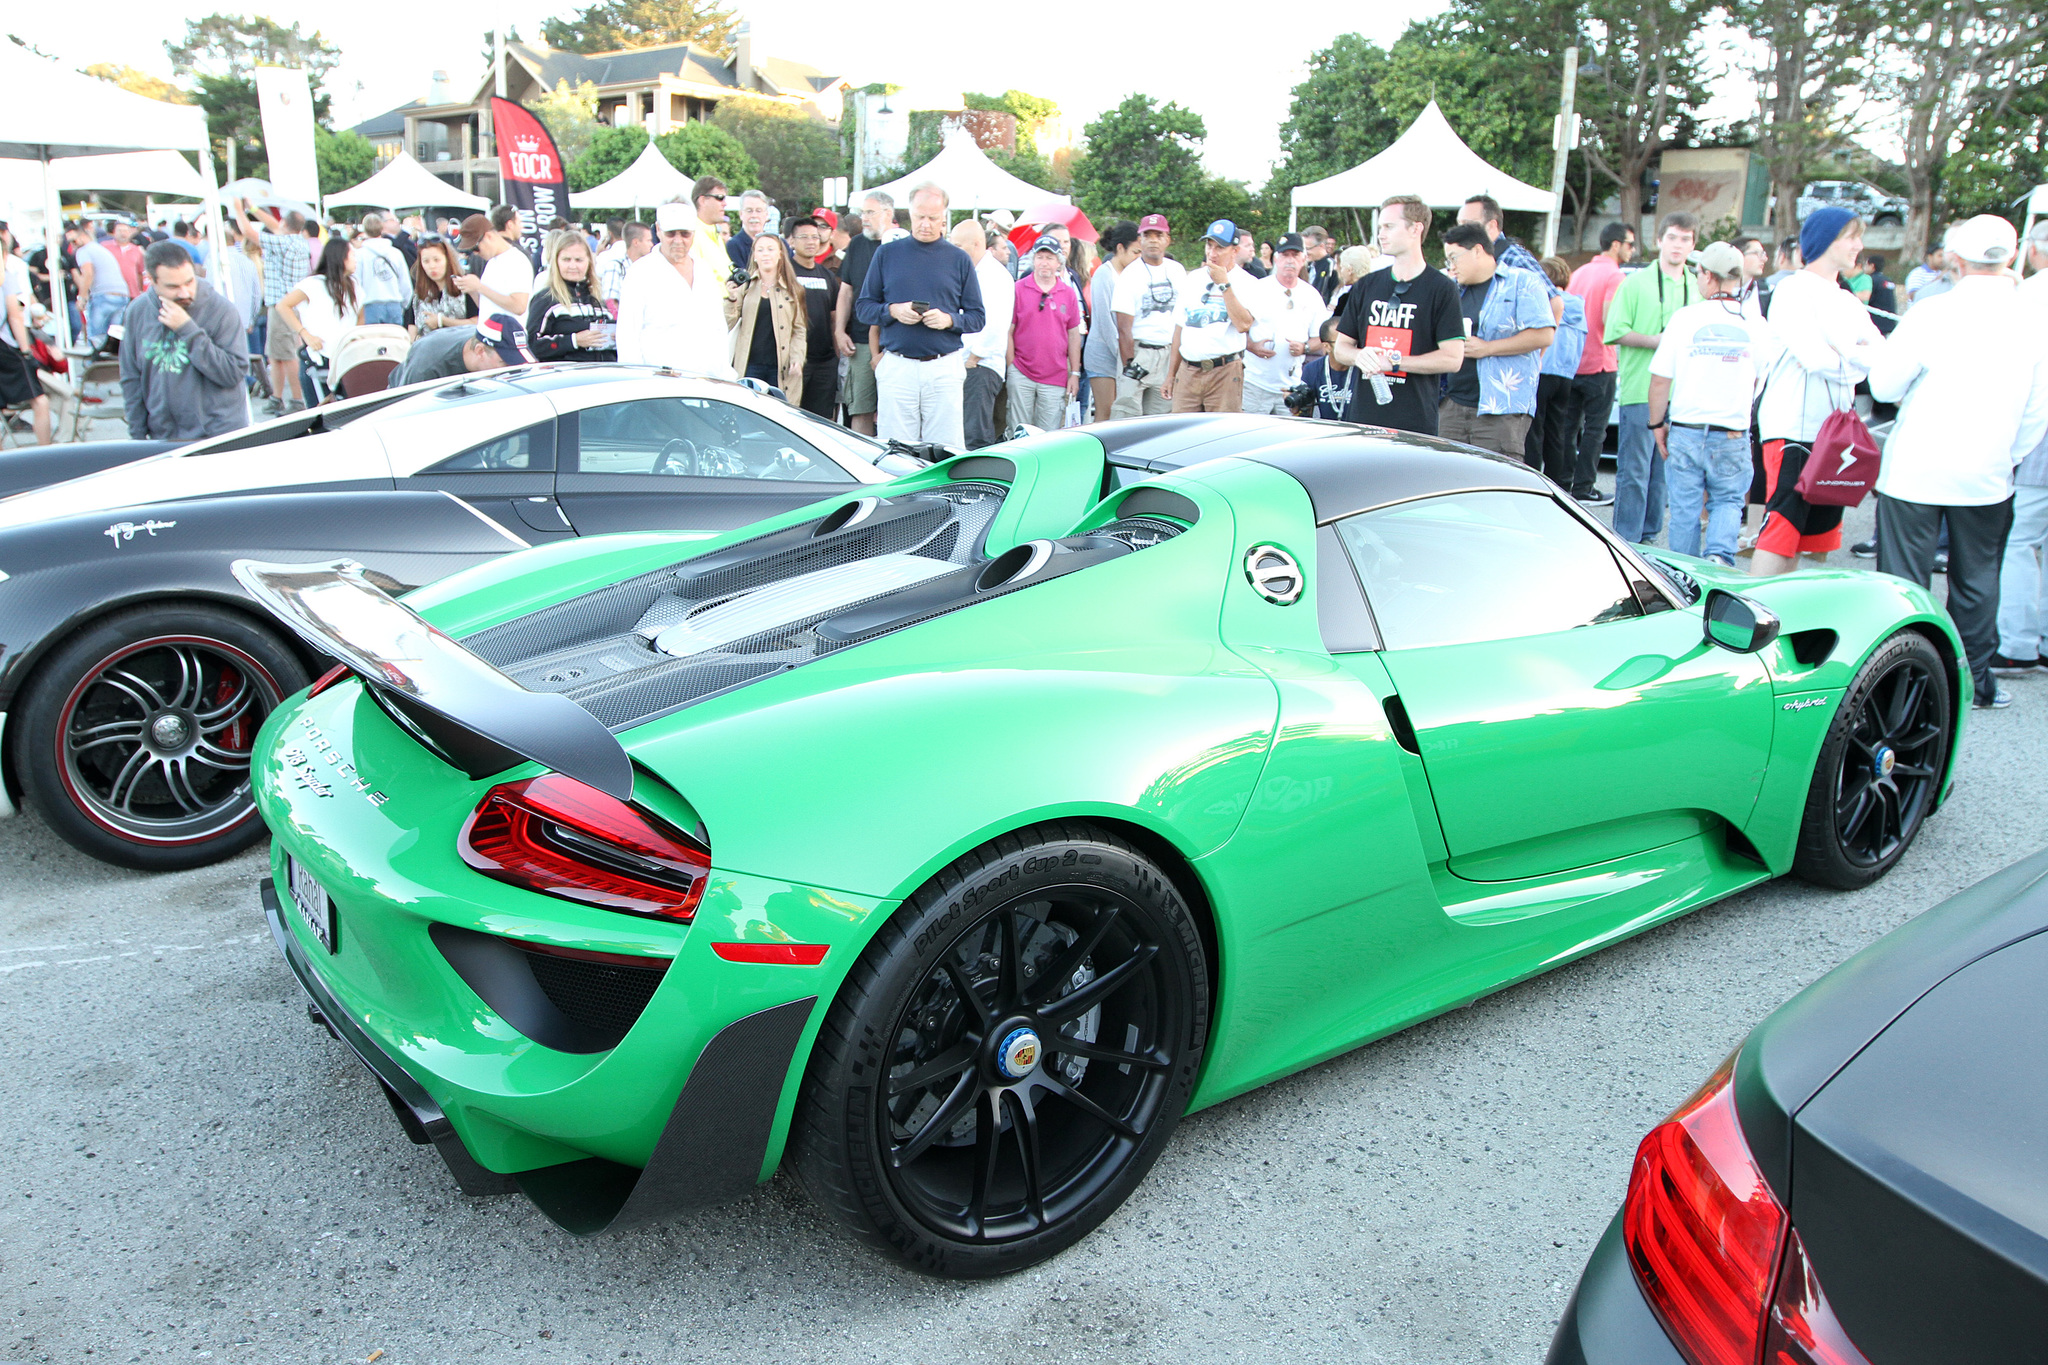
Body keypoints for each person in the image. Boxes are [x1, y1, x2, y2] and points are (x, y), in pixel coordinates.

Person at [1868, 214, 2048, 709]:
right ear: (2010, 256)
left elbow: (1884, 386)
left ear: (1956, 258)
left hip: (1915, 469)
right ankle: (1973, 683)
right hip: (1988, 472)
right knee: (1976, 581)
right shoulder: (2032, 319)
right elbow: (2037, 411)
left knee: (1903, 584)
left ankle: (1898, 685)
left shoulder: (1931, 312)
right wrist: (2003, 456)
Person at [1750, 205, 1882, 578]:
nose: (1859, 245)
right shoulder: (1792, 288)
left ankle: (1780, 619)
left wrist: (1845, 355)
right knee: (1781, 529)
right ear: (1826, 241)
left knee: (1806, 539)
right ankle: (1747, 620)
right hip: (1792, 425)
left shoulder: (1845, 298)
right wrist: (1855, 357)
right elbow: (1814, 358)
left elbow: (1881, 353)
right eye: (1851, 236)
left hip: (1833, 433)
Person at [1645, 242, 1779, 566]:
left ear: (1707, 275)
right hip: (1732, 430)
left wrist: (1656, 424)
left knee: (1684, 507)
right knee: (1729, 501)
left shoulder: (1685, 318)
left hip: (1687, 428)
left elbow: (1661, 379)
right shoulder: (1756, 323)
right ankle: (1719, 560)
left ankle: (1684, 574)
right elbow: (1762, 378)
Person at [854, 183, 984, 447]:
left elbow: (977, 317)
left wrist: (950, 320)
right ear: (909, 213)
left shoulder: (959, 259)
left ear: (944, 216)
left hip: (943, 367)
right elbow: (864, 307)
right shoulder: (887, 254)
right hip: (898, 366)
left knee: (947, 451)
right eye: (919, 217)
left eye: (933, 218)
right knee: (896, 451)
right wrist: (893, 311)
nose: (925, 224)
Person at [1332, 195, 1466, 435]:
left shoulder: (1441, 288)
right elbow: (1341, 348)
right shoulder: (1367, 285)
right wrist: (1359, 356)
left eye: (1389, 227)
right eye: (1380, 227)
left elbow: (1453, 359)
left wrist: (1393, 362)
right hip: (1363, 418)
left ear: (1416, 229)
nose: (1381, 234)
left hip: (1414, 423)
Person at [1606, 212, 1701, 544]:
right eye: (1672, 237)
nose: (1678, 245)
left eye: (1685, 239)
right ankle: (1626, 543)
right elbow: (1615, 331)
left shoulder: (1697, 285)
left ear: (1693, 244)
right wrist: (1657, 341)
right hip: (1640, 390)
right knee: (1634, 472)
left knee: (1664, 473)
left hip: (1684, 394)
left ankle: (1650, 539)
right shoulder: (1636, 282)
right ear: (1660, 240)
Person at [1437, 223, 1554, 458]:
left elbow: (1544, 334)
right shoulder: (1452, 290)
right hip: (1451, 404)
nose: (1452, 266)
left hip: (1501, 409)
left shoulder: (1522, 281)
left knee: (1495, 482)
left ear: (1477, 251)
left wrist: (1488, 348)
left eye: (1454, 258)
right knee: (1447, 484)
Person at [118, 241, 249, 441]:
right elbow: (131, 378)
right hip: (163, 437)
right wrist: (137, 435)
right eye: (173, 286)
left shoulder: (221, 310)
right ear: (152, 280)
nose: (184, 293)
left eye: (189, 282)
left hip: (217, 436)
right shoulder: (137, 311)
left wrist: (187, 330)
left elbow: (232, 373)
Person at [1994, 223, 2048, 678]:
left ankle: (2016, 643)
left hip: (2038, 438)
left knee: (2019, 541)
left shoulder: (2028, 297)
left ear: (2031, 252)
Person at [615, 203, 735, 377]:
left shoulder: (704, 270)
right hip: (659, 385)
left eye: (685, 234)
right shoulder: (640, 273)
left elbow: (718, 328)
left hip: (706, 383)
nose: (678, 241)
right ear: (658, 230)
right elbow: (628, 335)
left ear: (693, 233)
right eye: (671, 234)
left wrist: (725, 376)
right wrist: (637, 382)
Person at [1162, 220, 1258, 413]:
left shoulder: (1248, 282)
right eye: (1209, 246)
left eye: (1220, 248)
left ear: (1234, 250)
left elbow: (1243, 324)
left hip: (1224, 371)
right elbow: (1180, 329)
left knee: (1221, 433)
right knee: (1181, 432)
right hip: (1189, 370)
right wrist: (1171, 375)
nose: (1212, 253)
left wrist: (1224, 285)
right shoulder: (1192, 279)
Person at [234, 200, 312, 412]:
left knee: (287, 354)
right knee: (276, 354)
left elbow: (249, 233)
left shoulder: (284, 243)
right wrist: (252, 208)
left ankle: (296, 400)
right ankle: (277, 397)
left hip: (282, 305)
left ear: (286, 225)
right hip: (284, 304)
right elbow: (275, 226)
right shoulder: (297, 241)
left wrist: (239, 211)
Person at [837, 191, 904, 435]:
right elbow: (846, 291)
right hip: (860, 342)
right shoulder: (856, 245)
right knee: (860, 409)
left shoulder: (903, 244)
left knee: (896, 411)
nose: (863, 218)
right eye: (862, 212)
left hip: (897, 345)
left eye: (869, 212)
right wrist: (839, 330)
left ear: (888, 213)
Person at [1241, 233, 1329, 416]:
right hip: (1254, 384)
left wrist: (1304, 347)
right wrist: (1251, 345)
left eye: (1295, 255)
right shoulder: (1257, 288)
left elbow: (1321, 338)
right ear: (1275, 259)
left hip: (1291, 387)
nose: (1290, 260)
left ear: (1303, 259)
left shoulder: (1311, 295)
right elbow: (1239, 327)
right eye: (1284, 255)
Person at [1005, 234, 1084, 430]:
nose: (1044, 263)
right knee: (1019, 429)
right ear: (1033, 260)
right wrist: (1012, 365)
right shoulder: (1018, 289)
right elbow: (1008, 330)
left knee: (1048, 433)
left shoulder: (1068, 293)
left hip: (1055, 375)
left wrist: (1074, 372)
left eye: (1049, 258)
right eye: (1040, 257)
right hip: (1022, 371)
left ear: (1059, 262)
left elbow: (1074, 335)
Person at [1111, 213, 1185, 418]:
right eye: (1148, 235)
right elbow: (1123, 326)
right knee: (1127, 415)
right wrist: (1129, 365)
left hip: (1168, 351)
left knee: (1160, 417)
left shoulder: (1177, 271)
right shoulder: (1130, 274)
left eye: (1158, 235)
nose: (1153, 240)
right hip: (1139, 350)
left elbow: (1183, 318)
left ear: (1167, 240)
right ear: (1140, 240)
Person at [275, 237, 363, 405]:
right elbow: (283, 306)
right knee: (320, 414)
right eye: (352, 255)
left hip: (346, 358)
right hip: (319, 358)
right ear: (340, 257)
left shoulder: (355, 285)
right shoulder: (313, 284)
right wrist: (305, 335)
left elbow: (360, 317)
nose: (355, 259)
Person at [951, 219, 1014, 447]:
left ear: (977, 244)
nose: (952, 250)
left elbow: (997, 324)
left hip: (980, 365)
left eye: (958, 245)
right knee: (960, 432)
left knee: (974, 434)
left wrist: (973, 359)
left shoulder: (995, 276)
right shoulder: (968, 271)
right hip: (964, 361)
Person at [1526, 256, 1587, 485]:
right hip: (1566, 376)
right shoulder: (1579, 306)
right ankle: (1558, 484)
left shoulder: (1546, 303)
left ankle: (1531, 480)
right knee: (1557, 433)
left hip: (1542, 371)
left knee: (1533, 432)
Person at [726, 233, 807, 402]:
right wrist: (731, 296)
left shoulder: (793, 289)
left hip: (780, 366)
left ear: (780, 254)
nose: (765, 254)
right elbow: (728, 323)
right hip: (750, 363)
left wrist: (797, 358)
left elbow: (799, 328)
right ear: (754, 255)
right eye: (760, 250)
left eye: (770, 249)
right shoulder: (745, 286)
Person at [788, 216, 851, 419]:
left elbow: (834, 317)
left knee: (822, 421)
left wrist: (836, 355)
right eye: (804, 237)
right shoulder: (785, 273)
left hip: (824, 361)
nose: (810, 242)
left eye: (815, 237)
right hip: (795, 359)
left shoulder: (827, 276)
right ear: (791, 241)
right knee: (791, 416)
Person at [526, 232, 615, 363]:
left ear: (589, 262)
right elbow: (532, 344)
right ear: (556, 262)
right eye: (566, 259)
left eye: (579, 260)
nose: (572, 266)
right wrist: (574, 340)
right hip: (566, 378)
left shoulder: (597, 299)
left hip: (604, 375)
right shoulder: (546, 299)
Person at [1082, 220, 1138, 423]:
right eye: (1135, 252)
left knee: (1121, 415)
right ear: (1120, 248)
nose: (1138, 258)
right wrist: (1124, 357)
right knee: (1105, 414)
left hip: (1124, 355)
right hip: (1104, 355)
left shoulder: (1133, 275)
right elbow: (1105, 323)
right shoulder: (1104, 275)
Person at [0, 224, 51, 444]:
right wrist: (25, 351)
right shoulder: (6, 275)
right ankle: (45, 451)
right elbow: (15, 316)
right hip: (5, 346)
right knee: (40, 401)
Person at [395, 313, 535, 385]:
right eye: (505, 362)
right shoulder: (426, 366)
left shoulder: (484, 335)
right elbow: (404, 409)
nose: (512, 370)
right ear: (480, 351)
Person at [453, 212, 532, 325]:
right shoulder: (491, 262)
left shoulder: (517, 260)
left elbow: (519, 307)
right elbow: (487, 305)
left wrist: (479, 287)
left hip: (507, 338)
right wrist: (471, 290)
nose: (475, 254)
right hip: (489, 335)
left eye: (476, 248)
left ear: (488, 236)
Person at [76, 220, 133, 347]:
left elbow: (88, 273)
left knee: (97, 337)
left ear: (82, 237)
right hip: (122, 294)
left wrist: (82, 297)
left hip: (103, 294)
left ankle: (96, 365)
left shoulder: (84, 251)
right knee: (116, 339)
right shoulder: (101, 249)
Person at [354, 213, 412, 327]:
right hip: (394, 304)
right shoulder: (395, 253)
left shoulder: (359, 255)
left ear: (364, 229)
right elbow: (405, 283)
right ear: (382, 228)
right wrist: (404, 304)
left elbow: (356, 283)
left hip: (369, 304)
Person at [408, 238, 473, 337]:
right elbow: (412, 324)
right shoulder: (419, 292)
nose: (432, 266)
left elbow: (477, 322)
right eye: (426, 261)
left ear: (447, 259)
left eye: (436, 260)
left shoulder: (464, 286)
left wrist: (442, 320)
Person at [1296, 317, 1354, 419]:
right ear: (1327, 346)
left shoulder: (1364, 369)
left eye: (1351, 341)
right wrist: (1297, 405)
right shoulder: (1312, 369)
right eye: (1341, 342)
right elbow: (1305, 413)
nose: (1349, 346)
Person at [688, 177, 734, 275]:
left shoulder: (716, 234)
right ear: (703, 200)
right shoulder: (691, 235)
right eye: (720, 198)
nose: (725, 204)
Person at [597, 221, 650, 301]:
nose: (652, 244)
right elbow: (610, 301)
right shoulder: (615, 266)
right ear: (636, 242)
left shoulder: (649, 266)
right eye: (648, 241)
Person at [728, 190, 772, 270]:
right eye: (749, 211)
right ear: (741, 214)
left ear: (766, 214)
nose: (754, 215)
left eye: (758, 211)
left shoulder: (777, 244)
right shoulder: (733, 246)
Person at [1862, 252, 1899, 335]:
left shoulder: (1870, 280)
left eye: (1866, 264)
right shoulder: (1888, 280)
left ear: (1872, 266)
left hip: (1876, 323)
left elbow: (1867, 299)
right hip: (1889, 322)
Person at [1301, 226, 1338, 302]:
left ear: (1321, 246)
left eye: (1308, 248)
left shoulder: (1332, 268)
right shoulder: (1307, 266)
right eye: (1303, 248)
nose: (1305, 252)